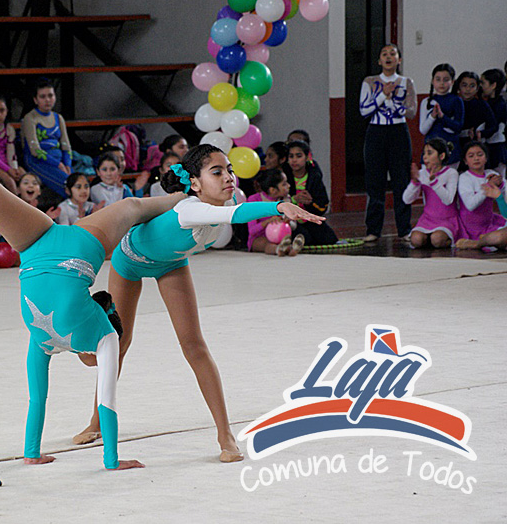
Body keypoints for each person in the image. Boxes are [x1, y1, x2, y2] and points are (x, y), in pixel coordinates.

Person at [0, 72, 187, 470]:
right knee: (134, 207)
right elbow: (107, 400)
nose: (92, 363)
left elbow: (38, 398)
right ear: (107, 324)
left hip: (36, 243)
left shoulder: (44, 341)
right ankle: (185, 196)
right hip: (82, 242)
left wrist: (32, 452)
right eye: (93, 362)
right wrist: (112, 459)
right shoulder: (105, 336)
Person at [72, 144, 324, 461]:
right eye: (216, 172)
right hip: (129, 261)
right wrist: (279, 206)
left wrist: (277, 206)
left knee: (194, 346)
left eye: (229, 170)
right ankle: (95, 417)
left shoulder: (224, 202)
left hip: (171, 264)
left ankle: (225, 435)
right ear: (195, 183)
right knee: (118, 344)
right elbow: (235, 215)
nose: (228, 177)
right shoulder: (190, 208)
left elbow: (233, 211)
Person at [359, 44, 417, 243]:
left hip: (398, 132)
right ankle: (373, 229)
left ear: (399, 59)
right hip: (376, 132)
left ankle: (404, 229)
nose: (388, 57)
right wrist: (383, 95)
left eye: (393, 53)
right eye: (384, 54)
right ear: (379, 60)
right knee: (375, 182)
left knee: (401, 181)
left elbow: (411, 111)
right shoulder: (369, 81)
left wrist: (392, 102)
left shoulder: (406, 82)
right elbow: (364, 110)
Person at [402, 138, 462, 249]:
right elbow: (406, 200)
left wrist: (434, 182)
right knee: (416, 240)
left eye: (429, 153)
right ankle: (429, 239)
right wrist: (414, 183)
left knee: (437, 239)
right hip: (428, 219)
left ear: (441, 156)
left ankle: (452, 239)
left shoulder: (451, 173)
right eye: (424, 153)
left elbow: (448, 200)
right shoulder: (422, 173)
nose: (425, 157)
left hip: (447, 219)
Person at [21, 78, 72, 197]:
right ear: (35, 100)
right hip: (37, 162)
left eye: (50, 95)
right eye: (43, 97)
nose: (47, 100)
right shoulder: (30, 118)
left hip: (59, 161)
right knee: (69, 186)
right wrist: (59, 165)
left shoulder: (58, 118)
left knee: (77, 182)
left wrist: (68, 165)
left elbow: (66, 146)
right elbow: (35, 151)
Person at [284, 140, 338, 246]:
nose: (294, 160)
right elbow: (275, 200)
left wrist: (310, 203)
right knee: (305, 238)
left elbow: (323, 206)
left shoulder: (314, 176)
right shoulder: (284, 176)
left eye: (299, 156)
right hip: (290, 221)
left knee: (329, 238)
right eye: (291, 156)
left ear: (307, 157)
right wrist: (294, 199)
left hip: (309, 219)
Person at [455, 141, 507, 250]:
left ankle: (486, 240)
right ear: (465, 161)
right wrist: (488, 186)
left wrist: (501, 184)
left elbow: (504, 194)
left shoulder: (491, 174)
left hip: (490, 222)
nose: (476, 158)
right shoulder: (465, 178)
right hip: (472, 227)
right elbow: (470, 205)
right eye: (471, 156)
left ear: (486, 158)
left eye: (480, 155)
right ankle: (477, 242)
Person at [247, 168, 306, 256]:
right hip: (259, 238)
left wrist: (288, 221)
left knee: (285, 240)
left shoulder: (286, 200)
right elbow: (252, 230)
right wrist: (268, 221)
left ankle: (290, 248)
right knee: (267, 244)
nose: (289, 185)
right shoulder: (254, 200)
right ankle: (279, 249)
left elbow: (294, 225)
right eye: (284, 184)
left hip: (280, 236)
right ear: (273, 190)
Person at [419, 63, 465, 168]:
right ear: (432, 81)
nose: (442, 83)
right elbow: (423, 130)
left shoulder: (457, 100)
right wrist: (432, 117)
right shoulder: (426, 101)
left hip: (450, 148)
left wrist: (442, 116)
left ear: (452, 82)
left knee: (448, 177)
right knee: (429, 177)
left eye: (446, 80)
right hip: (431, 149)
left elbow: (458, 127)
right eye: (438, 79)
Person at [453, 71, 497, 154]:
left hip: (475, 144)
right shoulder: (453, 103)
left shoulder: (482, 104)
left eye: (472, 86)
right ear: (458, 86)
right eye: (464, 85)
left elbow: (493, 126)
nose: (468, 89)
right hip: (455, 143)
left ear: (477, 88)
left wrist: (480, 133)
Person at [481, 69, 507, 174]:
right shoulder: (488, 101)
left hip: (497, 147)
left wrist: (481, 133)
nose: (480, 86)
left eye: (483, 83)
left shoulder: (500, 104)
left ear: (493, 85)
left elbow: (494, 127)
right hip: (490, 145)